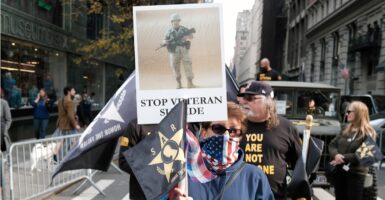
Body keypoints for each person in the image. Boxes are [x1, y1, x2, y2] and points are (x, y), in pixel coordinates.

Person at [172, 102, 274, 200]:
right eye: (218, 128)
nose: (226, 135)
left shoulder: (254, 176)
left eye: (233, 131)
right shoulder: (183, 173)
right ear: (204, 132)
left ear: (240, 137)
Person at [237, 81, 301, 200]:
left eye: (251, 98)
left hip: (274, 196)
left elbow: (299, 163)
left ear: (268, 102)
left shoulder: (286, 127)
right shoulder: (235, 125)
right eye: (244, 97)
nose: (245, 101)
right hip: (240, 194)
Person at [328, 101, 377, 200]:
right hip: (340, 171)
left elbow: (363, 155)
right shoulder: (345, 129)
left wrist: (343, 157)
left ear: (359, 113)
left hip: (355, 175)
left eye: (349, 111)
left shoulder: (369, 133)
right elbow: (332, 144)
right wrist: (336, 155)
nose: (347, 114)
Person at [118, 121, 157, 199]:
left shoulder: (178, 119)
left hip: (174, 193)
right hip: (143, 193)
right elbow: (123, 161)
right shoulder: (133, 125)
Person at [162, 13, 196, 89]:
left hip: (184, 49)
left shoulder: (184, 29)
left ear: (179, 21)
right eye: (174, 21)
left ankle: (190, 83)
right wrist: (165, 42)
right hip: (174, 51)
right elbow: (164, 39)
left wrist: (186, 37)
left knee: (188, 65)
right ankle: (179, 83)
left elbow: (191, 36)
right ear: (172, 22)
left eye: (177, 20)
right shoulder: (169, 31)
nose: (176, 22)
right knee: (175, 67)